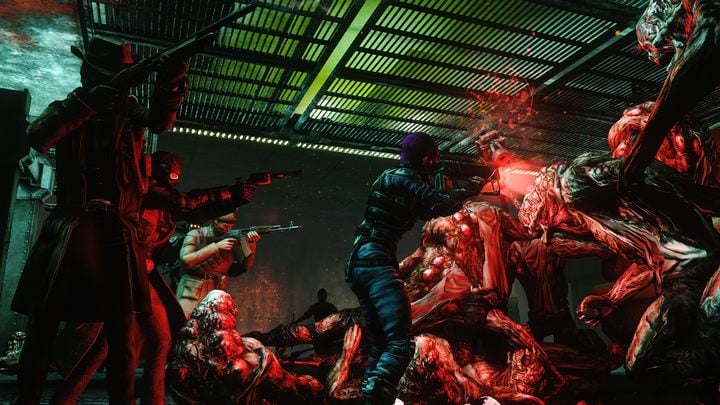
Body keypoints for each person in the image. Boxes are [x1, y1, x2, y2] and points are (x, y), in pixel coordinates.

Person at [10, 36, 188, 404]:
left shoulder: (129, 113)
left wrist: (171, 80)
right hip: (71, 229)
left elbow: (161, 121)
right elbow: (38, 137)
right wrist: (87, 103)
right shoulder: (68, 108)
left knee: (122, 337)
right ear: (90, 75)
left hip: (116, 231)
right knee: (44, 330)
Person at [49, 151, 255, 403]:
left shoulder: (161, 202)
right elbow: (184, 204)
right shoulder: (137, 193)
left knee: (159, 341)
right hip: (123, 275)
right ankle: (67, 398)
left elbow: (192, 211)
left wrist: (234, 199)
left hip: (142, 277)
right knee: (107, 346)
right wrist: (229, 193)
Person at [345, 131, 482, 404]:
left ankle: (370, 398)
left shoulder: (395, 179)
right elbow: (442, 202)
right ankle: (376, 396)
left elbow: (433, 210)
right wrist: (471, 186)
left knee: (381, 344)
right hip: (375, 260)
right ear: (426, 158)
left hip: (364, 262)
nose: (435, 165)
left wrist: (460, 187)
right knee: (400, 343)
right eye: (434, 160)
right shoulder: (401, 177)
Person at [176, 212, 261, 318]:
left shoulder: (233, 239)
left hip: (215, 289)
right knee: (184, 320)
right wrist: (216, 247)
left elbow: (246, 265)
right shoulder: (196, 234)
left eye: (231, 226)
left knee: (211, 323)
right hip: (192, 287)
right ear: (214, 221)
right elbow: (186, 260)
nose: (228, 229)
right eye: (225, 225)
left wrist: (251, 244)